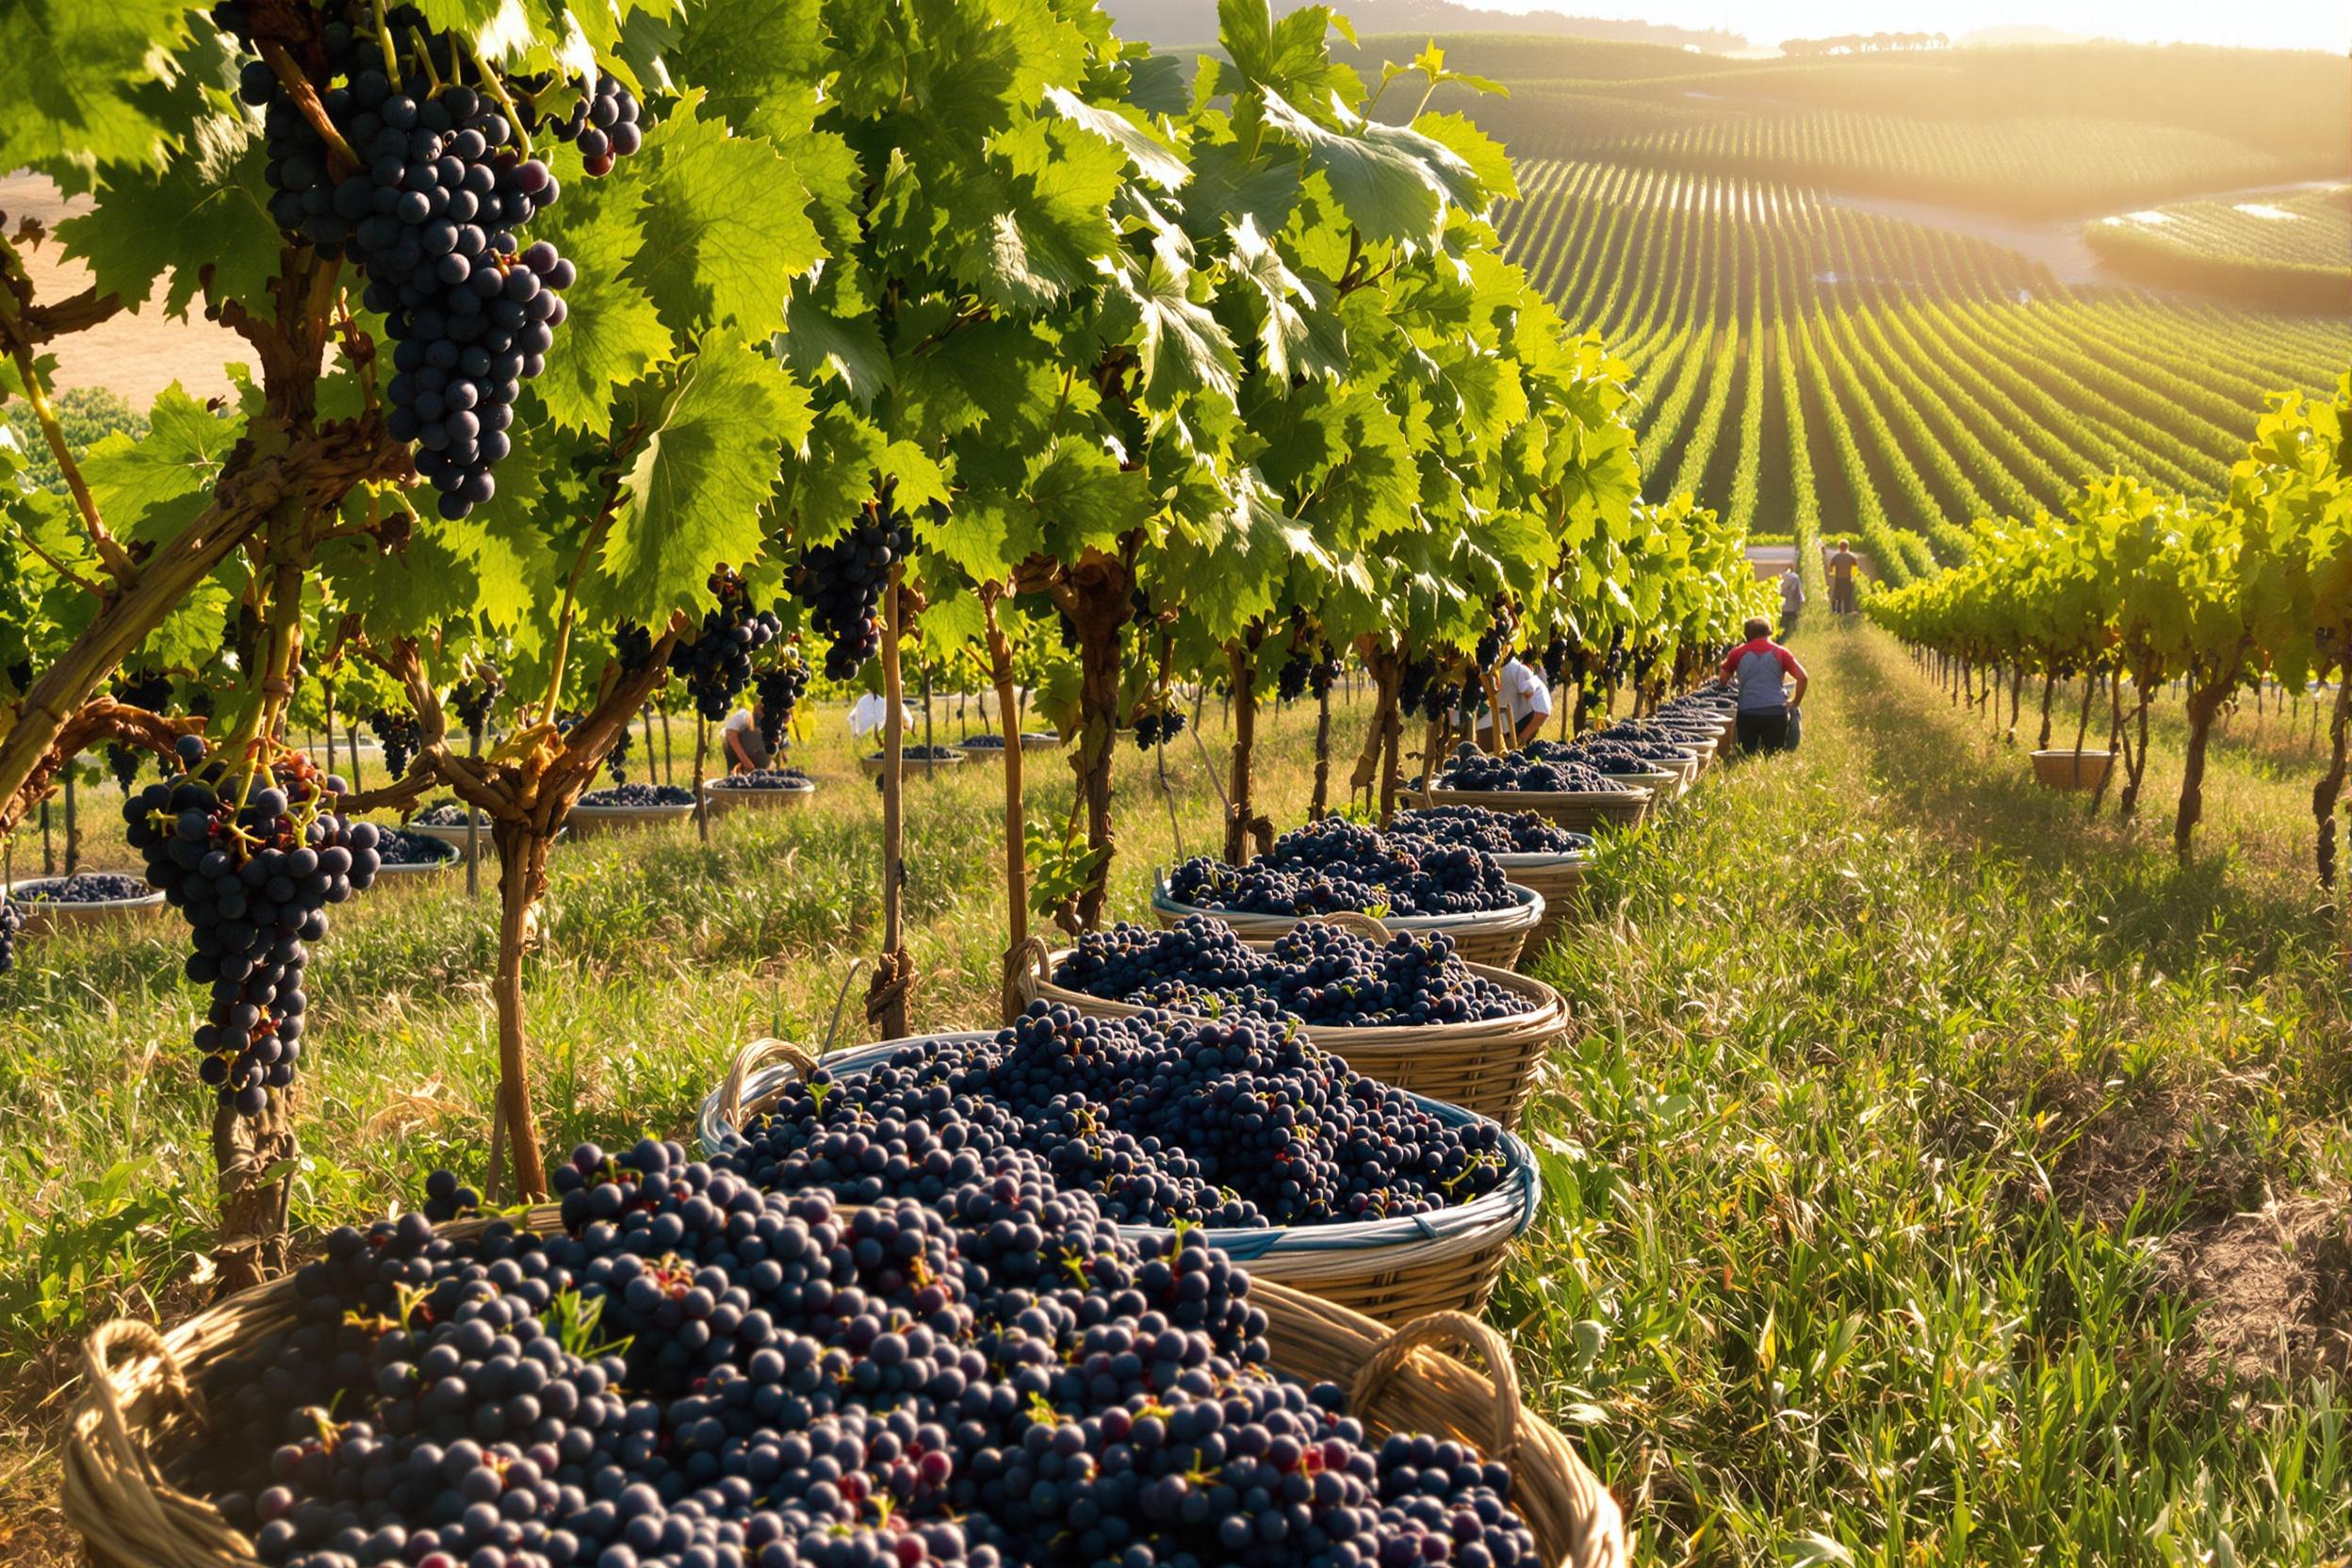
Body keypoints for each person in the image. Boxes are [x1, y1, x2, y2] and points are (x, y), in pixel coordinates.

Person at [1720, 616, 1807, 754]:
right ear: (1769, 632)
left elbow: (1723, 680)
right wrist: (1795, 702)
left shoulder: (1737, 653)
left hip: (1748, 712)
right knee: (1773, 754)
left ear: (1747, 634)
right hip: (1776, 712)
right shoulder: (1781, 652)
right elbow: (1803, 677)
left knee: (1745, 755)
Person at [1496, 649, 1552, 745]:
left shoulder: (1519, 672)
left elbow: (1543, 712)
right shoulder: (1506, 670)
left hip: (1517, 726)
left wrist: (1519, 739)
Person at [720, 703, 770, 772]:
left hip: (758, 768)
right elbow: (730, 734)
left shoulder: (768, 723)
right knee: (736, 780)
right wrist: (746, 762)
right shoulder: (743, 715)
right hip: (739, 761)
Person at [1827, 539, 1860, 615]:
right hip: (1848, 579)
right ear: (1847, 547)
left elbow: (1830, 568)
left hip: (1839, 579)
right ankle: (1847, 612)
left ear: (1839, 547)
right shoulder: (1852, 557)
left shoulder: (1836, 557)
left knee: (1837, 597)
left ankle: (1837, 612)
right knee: (1847, 597)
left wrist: (1833, 574)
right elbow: (1855, 570)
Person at [1777, 565, 1805, 639]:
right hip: (1791, 607)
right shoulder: (1795, 578)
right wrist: (1800, 605)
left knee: (1781, 625)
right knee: (1791, 626)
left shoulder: (1780, 577)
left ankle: (1780, 638)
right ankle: (1790, 637)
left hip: (1781, 607)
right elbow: (1798, 593)